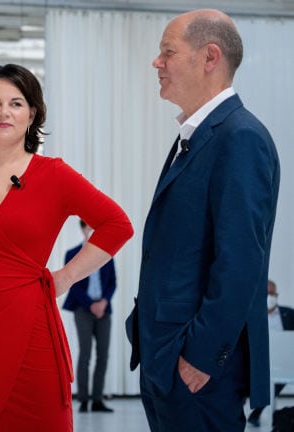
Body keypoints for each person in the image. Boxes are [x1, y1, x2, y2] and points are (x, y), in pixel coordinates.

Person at [0, 63, 133, 431]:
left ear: (32, 114)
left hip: (31, 327)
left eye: (16, 103)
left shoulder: (55, 175)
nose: (4, 112)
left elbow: (117, 225)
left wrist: (65, 277)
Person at [126, 9, 280, 432]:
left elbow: (240, 261)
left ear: (210, 57)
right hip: (165, 356)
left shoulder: (240, 137)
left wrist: (201, 356)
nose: (157, 62)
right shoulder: (197, 136)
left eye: (168, 52)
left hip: (197, 369)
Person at [62, 220, 116, 413]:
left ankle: (97, 400)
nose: (93, 232)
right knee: (85, 353)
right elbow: (72, 284)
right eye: (90, 229)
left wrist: (103, 302)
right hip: (83, 309)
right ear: (83, 230)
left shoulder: (106, 254)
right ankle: (84, 399)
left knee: (103, 354)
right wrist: (91, 305)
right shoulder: (72, 254)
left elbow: (112, 282)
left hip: (104, 310)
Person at [247, 280, 294, 427]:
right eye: (265, 293)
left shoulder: (289, 314)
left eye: (272, 294)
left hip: (282, 360)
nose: (269, 297)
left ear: (277, 295)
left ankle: (257, 412)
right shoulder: (251, 315)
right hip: (257, 359)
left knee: (280, 377)